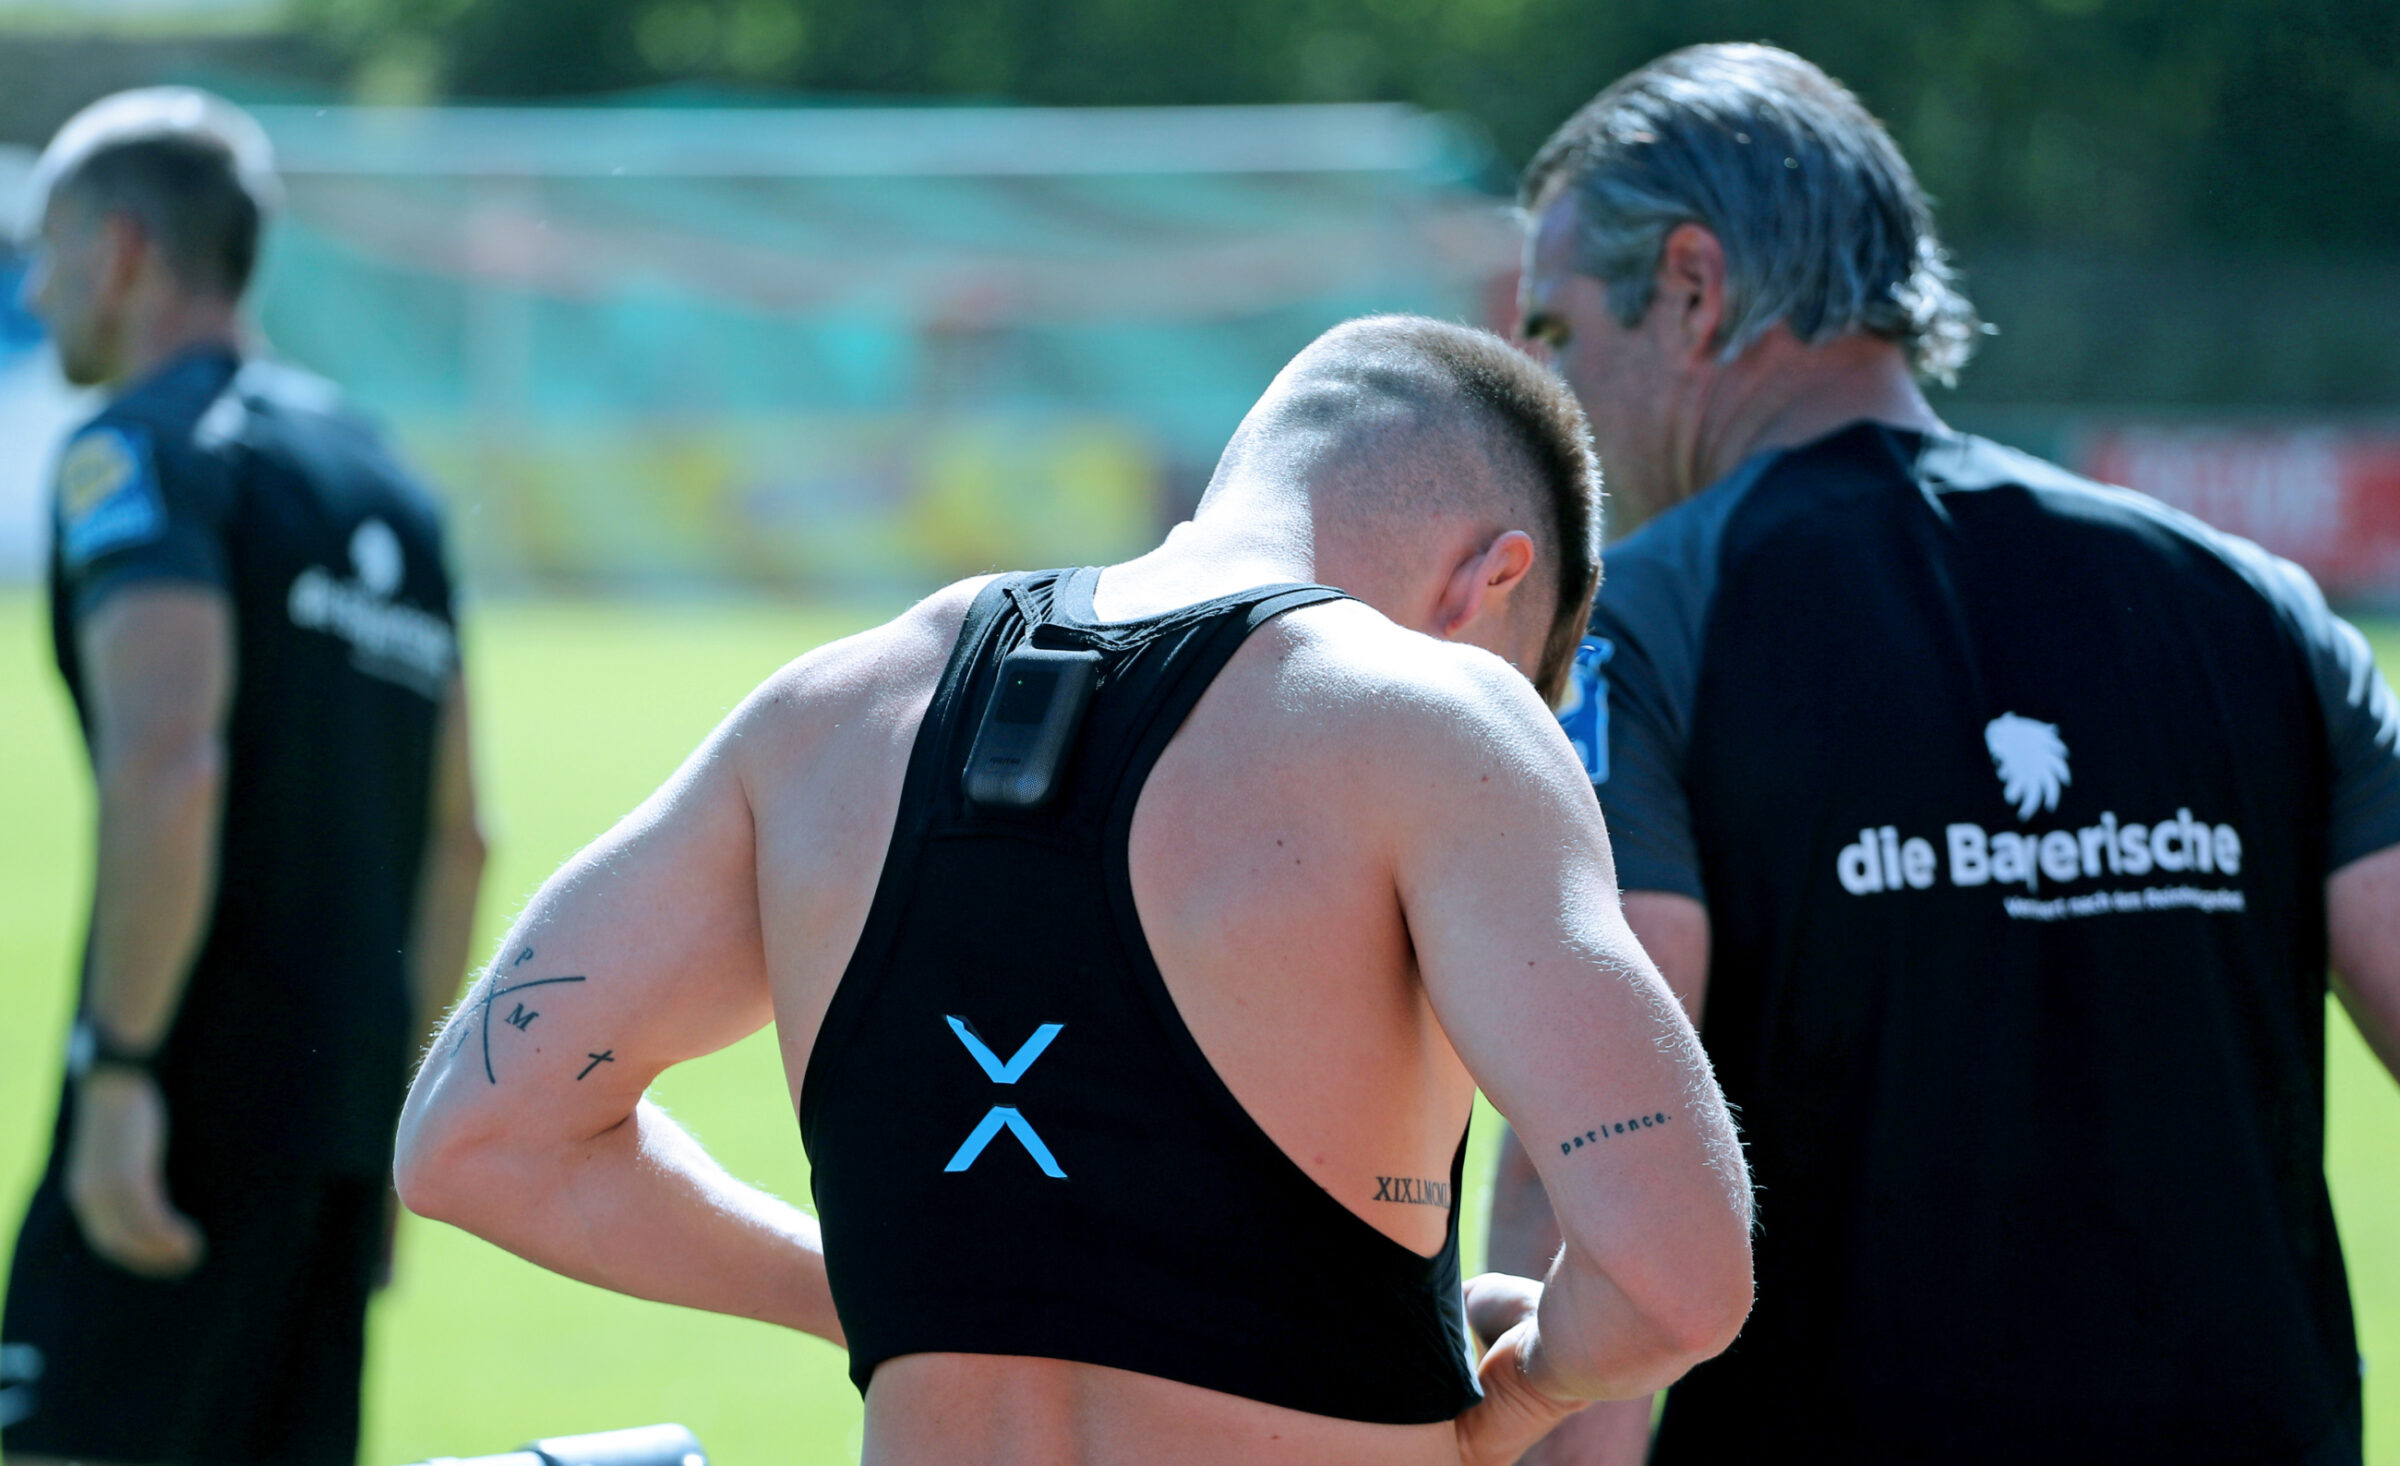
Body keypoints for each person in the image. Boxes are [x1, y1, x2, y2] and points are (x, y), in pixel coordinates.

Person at [393, 314, 1755, 1465]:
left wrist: (893, 1289)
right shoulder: (1438, 716)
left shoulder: (829, 711)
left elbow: (476, 1136)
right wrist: (1510, 1398)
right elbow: (1673, 1273)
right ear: (1491, 580)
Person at [1488, 42, 2400, 1466]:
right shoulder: (2258, 606)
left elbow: (1599, 1160)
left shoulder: (1641, 639)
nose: (1555, 405)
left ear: (1689, 285)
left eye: (1554, 338)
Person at [0, 90, 485, 1466]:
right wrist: (400, 1130)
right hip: (342, 1134)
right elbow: (463, 835)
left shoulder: (135, 450)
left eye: (49, 248)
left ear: (125, 250)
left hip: (186, 1114)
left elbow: (171, 759)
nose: (35, 287)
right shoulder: (390, 479)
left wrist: (120, 1070)